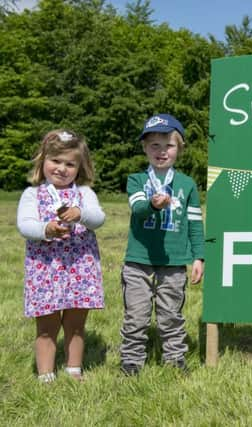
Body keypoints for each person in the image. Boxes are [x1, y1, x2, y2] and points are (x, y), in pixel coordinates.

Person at [17, 129, 105, 383]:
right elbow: (25, 225)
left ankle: (73, 368)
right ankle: (45, 374)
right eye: (55, 161)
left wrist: (81, 214)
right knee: (46, 326)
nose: (62, 168)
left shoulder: (85, 194)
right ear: (43, 160)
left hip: (80, 269)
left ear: (80, 167)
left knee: (76, 323)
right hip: (46, 269)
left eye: (70, 163)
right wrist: (47, 229)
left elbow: (98, 219)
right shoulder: (32, 194)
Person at [119, 114, 205, 375]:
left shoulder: (187, 185)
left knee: (171, 314)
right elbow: (138, 210)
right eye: (154, 145)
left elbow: (194, 223)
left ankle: (175, 359)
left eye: (168, 144)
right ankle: (132, 361)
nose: (161, 151)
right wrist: (153, 204)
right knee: (136, 314)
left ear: (179, 148)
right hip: (138, 260)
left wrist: (199, 257)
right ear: (145, 148)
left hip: (174, 261)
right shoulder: (137, 180)